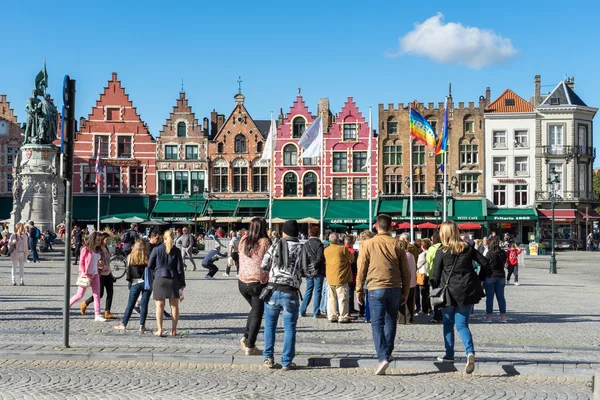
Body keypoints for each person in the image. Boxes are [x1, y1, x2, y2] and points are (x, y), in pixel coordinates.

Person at [356, 214, 411, 375]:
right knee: (391, 321)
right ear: (391, 227)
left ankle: (382, 357)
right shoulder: (398, 244)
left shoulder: (368, 244)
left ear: (376, 226)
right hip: (394, 287)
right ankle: (387, 352)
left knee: (377, 324)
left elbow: (361, 269)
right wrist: (406, 291)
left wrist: (359, 289)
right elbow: (406, 272)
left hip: (375, 287)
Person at [432, 220, 489, 374]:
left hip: (449, 291)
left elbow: (435, 275)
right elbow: (485, 262)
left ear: (444, 234)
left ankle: (449, 354)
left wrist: (434, 289)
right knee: (462, 325)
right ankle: (470, 352)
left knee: (448, 324)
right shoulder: (467, 248)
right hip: (467, 290)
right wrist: (479, 278)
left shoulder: (442, 251)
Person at [261, 219, 316, 370]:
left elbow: (264, 265)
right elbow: (310, 271)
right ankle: (286, 361)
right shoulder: (303, 248)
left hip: (272, 290)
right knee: (290, 328)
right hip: (290, 292)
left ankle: (268, 358)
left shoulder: (276, 245)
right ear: (297, 232)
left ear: (284, 232)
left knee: (270, 326)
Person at [238, 218, 271, 356]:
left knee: (254, 309)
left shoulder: (243, 240)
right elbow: (271, 260)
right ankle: (250, 345)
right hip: (257, 283)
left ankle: (246, 337)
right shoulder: (264, 242)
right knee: (258, 312)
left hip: (242, 282)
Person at [148, 230, 185, 337]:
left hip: (159, 279)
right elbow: (180, 269)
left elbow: (150, 265)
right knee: (174, 306)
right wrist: (182, 283)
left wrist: (157, 271)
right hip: (173, 280)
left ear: (163, 238)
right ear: (174, 238)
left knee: (159, 306)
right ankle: (173, 330)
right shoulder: (177, 251)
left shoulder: (156, 249)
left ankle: (159, 330)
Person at [115, 239, 153, 332]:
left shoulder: (130, 257)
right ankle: (142, 325)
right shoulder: (148, 256)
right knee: (144, 305)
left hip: (135, 282)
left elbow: (129, 272)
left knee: (130, 304)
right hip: (146, 282)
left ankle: (124, 324)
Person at [68, 232, 106, 322]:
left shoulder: (97, 250)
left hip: (95, 274)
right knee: (79, 295)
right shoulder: (85, 249)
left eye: (100, 240)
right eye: (97, 240)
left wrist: (100, 265)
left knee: (97, 295)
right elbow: (81, 263)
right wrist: (86, 274)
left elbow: (94, 261)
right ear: (92, 239)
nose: (98, 242)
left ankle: (97, 315)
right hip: (86, 275)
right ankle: (66, 307)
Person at [81, 233, 116, 319]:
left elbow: (108, 262)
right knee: (99, 294)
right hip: (100, 274)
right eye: (106, 240)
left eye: (108, 240)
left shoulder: (106, 248)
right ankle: (85, 303)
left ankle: (107, 312)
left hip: (108, 273)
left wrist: (110, 272)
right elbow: (95, 261)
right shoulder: (98, 249)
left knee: (110, 292)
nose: (107, 241)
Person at [324, 232, 355, 323]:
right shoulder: (342, 248)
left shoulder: (326, 250)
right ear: (338, 240)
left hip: (330, 276)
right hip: (341, 276)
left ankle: (332, 316)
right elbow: (351, 257)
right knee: (342, 297)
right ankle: (343, 316)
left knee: (331, 298)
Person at [299, 225, 325, 318]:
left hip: (308, 271)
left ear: (310, 233)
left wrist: (306, 268)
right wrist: (315, 265)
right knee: (318, 291)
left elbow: (303, 258)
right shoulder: (319, 244)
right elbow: (320, 257)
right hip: (318, 271)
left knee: (308, 290)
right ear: (318, 234)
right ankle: (316, 312)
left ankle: (302, 310)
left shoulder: (305, 244)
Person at [484, 239, 508, 323]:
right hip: (501, 276)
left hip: (490, 276)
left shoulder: (489, 253)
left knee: (489, 298)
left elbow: (485, 265)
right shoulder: (502, 253)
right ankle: (503, 317)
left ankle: (489, 317)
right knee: (501, 297)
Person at [397, 240, 417, 324]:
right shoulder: (411, 255)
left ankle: (401, 319)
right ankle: (410, 318)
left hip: (402, 281)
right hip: (412, 281)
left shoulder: (400, 255)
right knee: (410, 301)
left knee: (401, 300)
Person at [357, 230, 375, 321]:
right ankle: (372, 315)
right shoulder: (374, 246)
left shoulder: (362, 247)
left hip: (366, 275)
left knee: (368, 296)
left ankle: (367, 316)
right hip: (373, 274)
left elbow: (361, 266)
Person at [426, 232, 443, 323]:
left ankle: (437, 316)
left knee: (436, 295)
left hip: (434, 274)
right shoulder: (445, 246)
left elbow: (428, 260)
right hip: (444, 275)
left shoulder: (432, 248)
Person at [344, 235, 359, 315]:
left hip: (343, 273)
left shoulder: (341, 249)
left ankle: (349, 308)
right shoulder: (354, 252)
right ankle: (350, 309)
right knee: (350, 292)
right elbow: (355, 264)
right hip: (352, 274)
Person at [417, 238, 432, 316]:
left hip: (423, 274)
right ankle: (429, 308)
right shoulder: (431, 252)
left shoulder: (423, 254)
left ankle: (425, 309)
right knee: (428, 292)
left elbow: (418, 265)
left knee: (423, 293)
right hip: (429, 274)